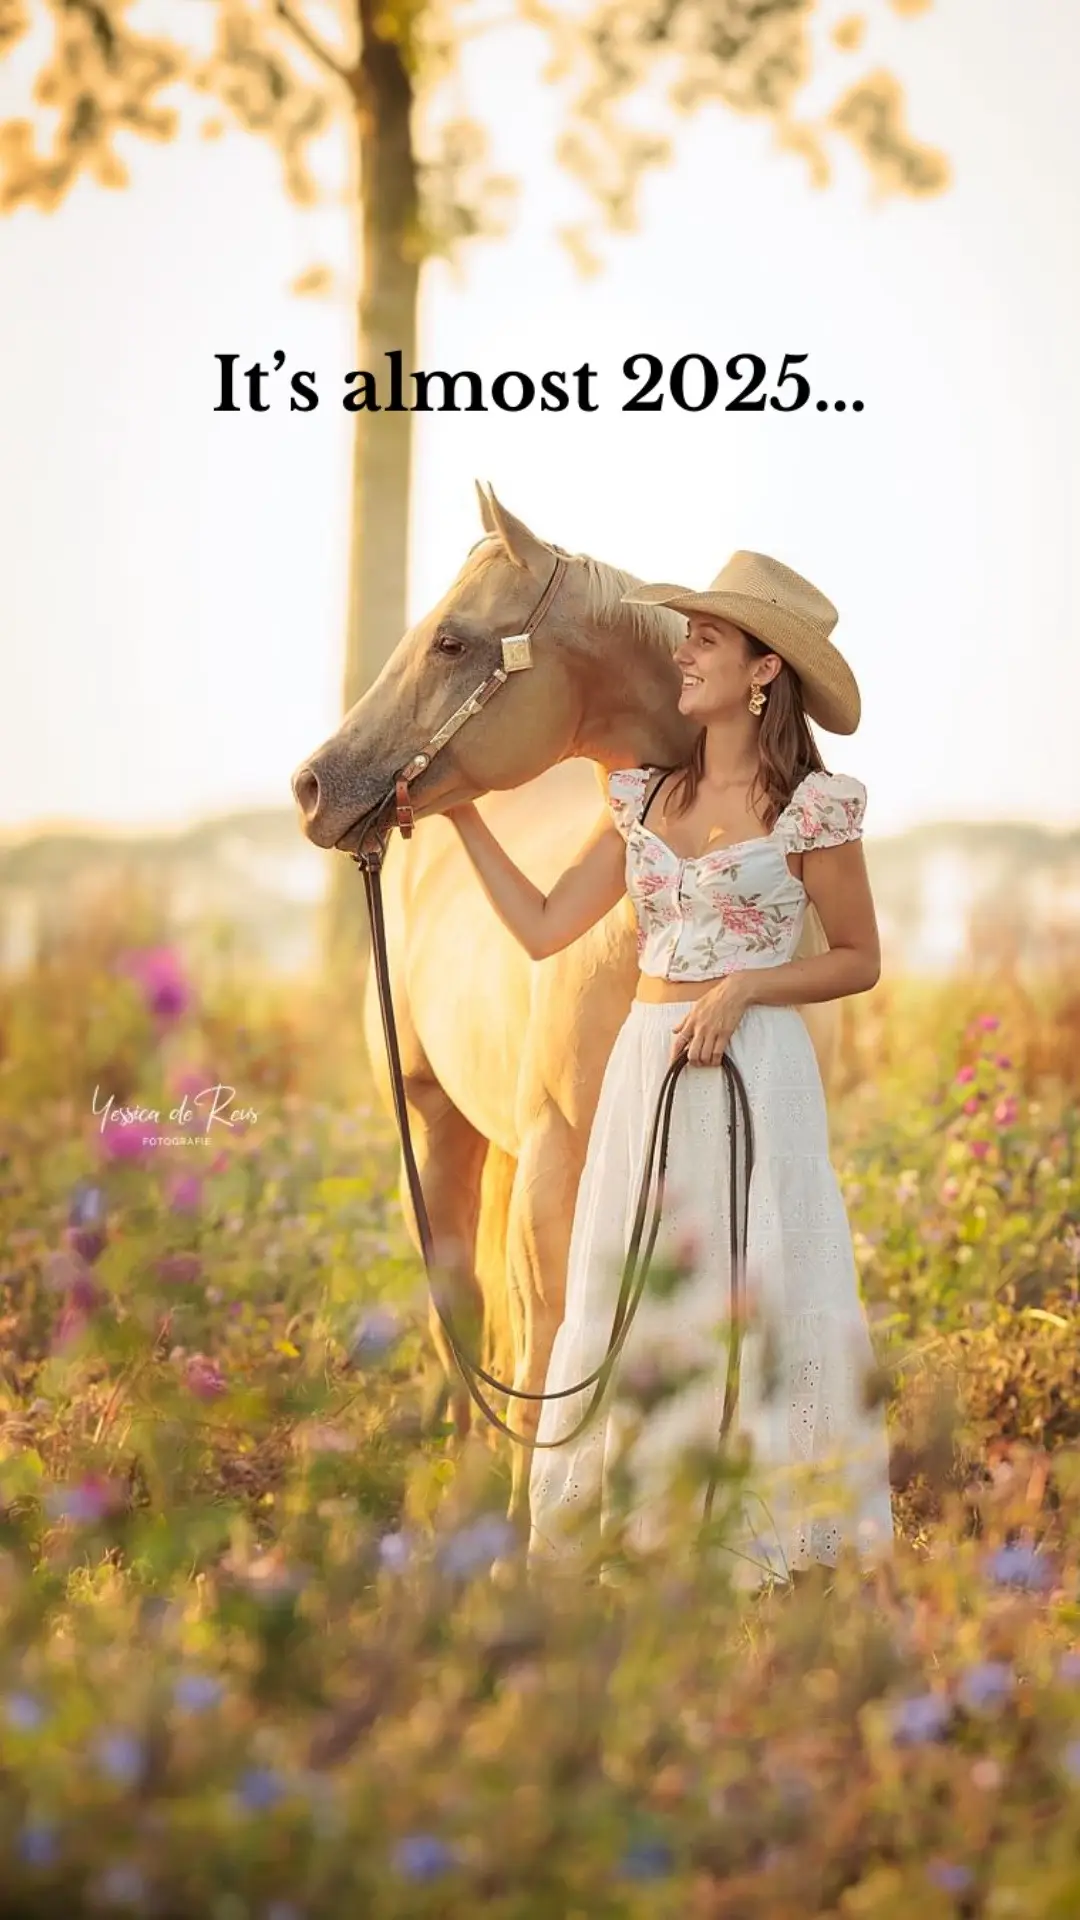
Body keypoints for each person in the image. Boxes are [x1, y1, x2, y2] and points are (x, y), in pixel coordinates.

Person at [446, 550, 895, 1592]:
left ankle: (769, 1538)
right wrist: (460, 814)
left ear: (763, 672)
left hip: (758, 1069)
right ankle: (641, 1531)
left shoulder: (813, 809)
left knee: (768, 1285)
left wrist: (745, 988)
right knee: (632, 1290)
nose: (682, 653)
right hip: (648, 1073)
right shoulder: (641, 801)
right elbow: (548, 926)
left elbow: (859, 959)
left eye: (706, 638)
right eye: (687, 633)